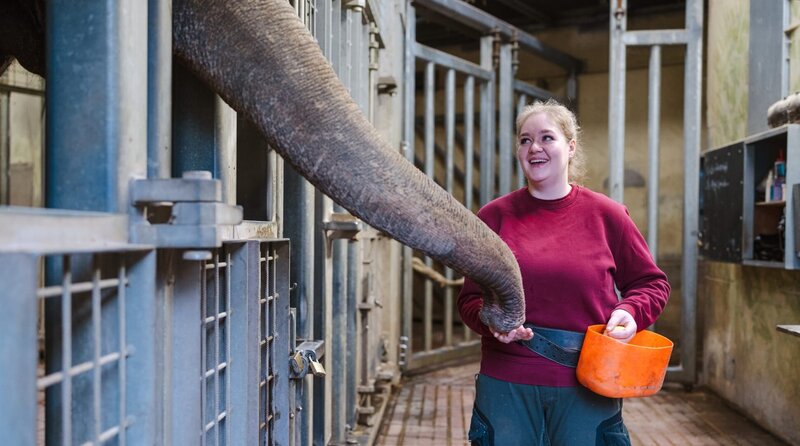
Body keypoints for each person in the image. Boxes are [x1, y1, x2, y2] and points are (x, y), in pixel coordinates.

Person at [458, 99, 670, 446]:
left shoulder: (607, 215)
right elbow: (470, 299)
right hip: (508, 383)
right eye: (525, 140)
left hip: (587, 382)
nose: (534, 148)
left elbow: (651, 283)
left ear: (570, 147)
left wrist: (629, 312)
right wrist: (491, 322)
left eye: (547, 138)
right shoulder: (493, 218)